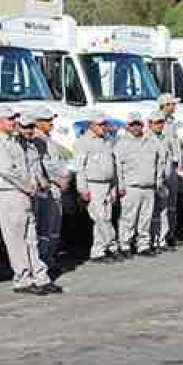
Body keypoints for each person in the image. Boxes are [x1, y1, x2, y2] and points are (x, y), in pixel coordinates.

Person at [0, 104, 60, 294]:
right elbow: (7, 170)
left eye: (14, 119)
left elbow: (29, 165)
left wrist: (33, 182)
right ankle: (23, 279)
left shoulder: (16, 141)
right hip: (9, 193)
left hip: (24, 194)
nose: (14, 122)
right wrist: (28, 185)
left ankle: (40, 277)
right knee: (16, 240)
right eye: (10, 119)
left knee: (31, 238)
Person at [114, 111, 165, 257]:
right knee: (128, 218)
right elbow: (118, 167)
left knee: (145, 219)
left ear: (142, 125)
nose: (136, 128)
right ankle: (125, 245)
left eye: (138, 124)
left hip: (149, 186)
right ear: (127, 126)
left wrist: (158, 181)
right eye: (132, 125)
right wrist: (121, 187)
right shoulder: (122, 144)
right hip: (131, 187)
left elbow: (159, 163)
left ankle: (143, 245)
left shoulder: (151, 141)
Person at [75, 111, 118, 263]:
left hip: (107, 183)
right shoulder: (83, 142)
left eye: (105, 124)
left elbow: (113, 165)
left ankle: (99, 250)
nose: (104, 127)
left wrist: (113, 188)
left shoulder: (107, 140)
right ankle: (111, 246)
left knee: (106, 217)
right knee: (100, 218)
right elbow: (80, 167)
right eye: (100, 124)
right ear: (91, 125)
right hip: (93, 184)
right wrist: (83, 189)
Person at [31, 105, 69, 266]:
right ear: (38, 122)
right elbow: (43, 165)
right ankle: (43, 260)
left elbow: (57, 162)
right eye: (47, 121)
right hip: (48, 188)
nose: (51, 123)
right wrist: (58, 179)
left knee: (54, 227)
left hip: (57, 188)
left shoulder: (48, 139)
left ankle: (50, 257)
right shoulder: (37, 141)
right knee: (45, 228)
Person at [157, 93, 182, 247]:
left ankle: (171, 234)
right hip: (163, 165)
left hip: (172, 165)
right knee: (162, 204)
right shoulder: (158, 122)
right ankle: (161, 237)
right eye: (172, 104)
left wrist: (179, 162)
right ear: (164, 106)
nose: (174, 107)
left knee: (172, 203)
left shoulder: (171, 122)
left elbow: (175, 144)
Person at [148, 110, 174, 249]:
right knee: (150, 213)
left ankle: (162, 240)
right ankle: (151, 240)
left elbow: (168, 158)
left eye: (161, 122)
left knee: (163, 211)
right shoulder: (146, 139)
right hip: (151, 180)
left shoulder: (165, 138)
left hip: (164, 180)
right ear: (150, 124)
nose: (159, 125)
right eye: (157, 122)